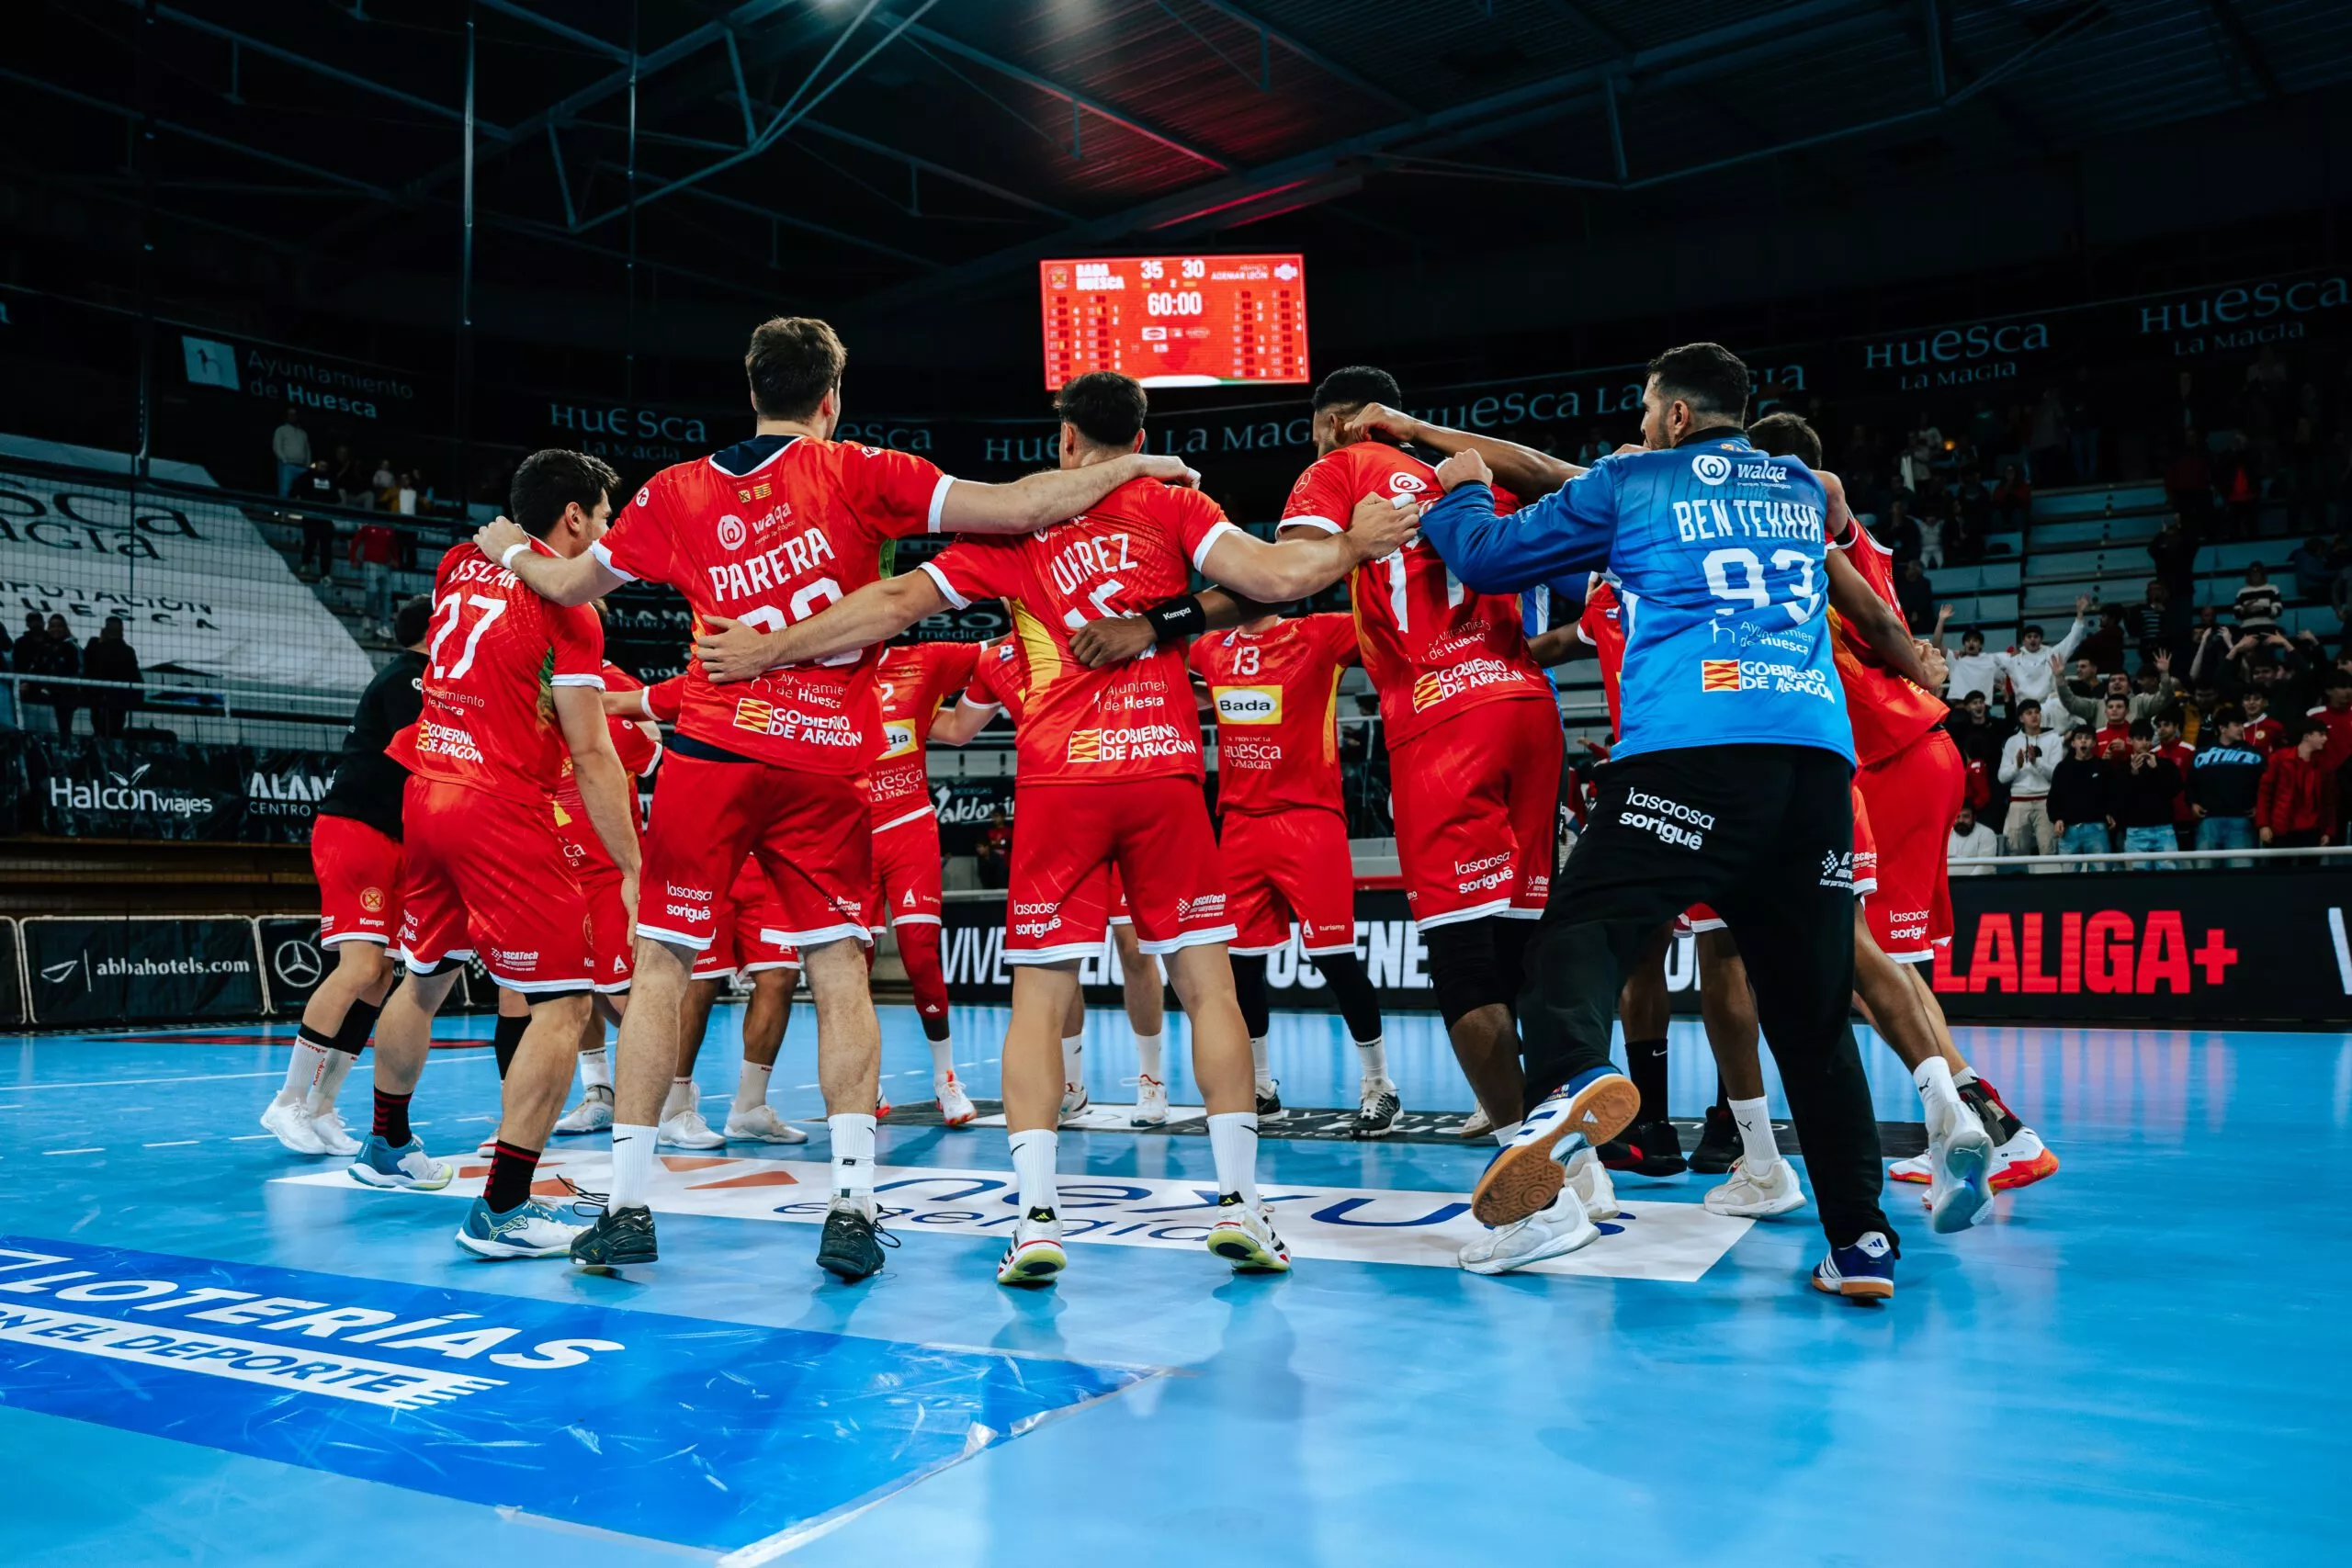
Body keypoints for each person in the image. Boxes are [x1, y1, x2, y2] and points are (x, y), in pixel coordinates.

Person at [477, 319, 1213, 1284]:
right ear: (830, 399)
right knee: (837, 970)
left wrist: (507, 551)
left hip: (711, 753)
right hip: (827, 763)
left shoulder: (673, 492)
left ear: (753, 391)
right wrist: (1137, 467)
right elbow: (1022, 504)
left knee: (661, 963)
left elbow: (568, 577)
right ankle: (855, 1207)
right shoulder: (864, 470)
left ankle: (623, 1208)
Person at [691, 367, 1408, 1287]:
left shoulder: (1018, 525)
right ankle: (1241, 1208)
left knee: (1038, 1000)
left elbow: (891, 604)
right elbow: (1275, 576)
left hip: (1060, 784)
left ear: (1067, 442)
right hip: (1161, 775)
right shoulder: (1171, 506)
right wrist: (1357, 539)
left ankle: (1034, 1220)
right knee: (1207, 987)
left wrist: (764, 648)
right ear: (1137, 433)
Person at [1414, 342, 1917, 1298]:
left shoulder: (1632, 479)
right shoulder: (1798, 489)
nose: (1642, 424)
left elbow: (1484, 560)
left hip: (1688, 754)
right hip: (1811, 763)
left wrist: (1463, 486)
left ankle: (1568, 1088)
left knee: (1580, 931)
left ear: (1676, 417)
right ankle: (1860, 1239)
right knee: (1812, 1020)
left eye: (1648, 410)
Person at [1261, 366, 1566, 1162]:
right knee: (1520, 951)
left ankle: (1527, 1164)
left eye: (1322, 424)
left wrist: (1348, 543)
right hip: (1530, 709)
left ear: (1336, 420)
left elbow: (1289, 572)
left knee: (1465, 963)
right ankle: (1575, 1151)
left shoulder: (1339, 467)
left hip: (1441, 717)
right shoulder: (1471, 468)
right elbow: (1562, 514)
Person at [354, 449, 643, 1264]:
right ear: (576, 517)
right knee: (565, 1006)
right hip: (496, 803)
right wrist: (632, 868)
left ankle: (386, 1143)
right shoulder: (575, 613)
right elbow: (591, 754)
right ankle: (504, 1207)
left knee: (425, 975)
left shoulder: (458, 560)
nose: (611, 535)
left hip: (426, 784)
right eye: (606, 518)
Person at [937, 633, 1175, 1123]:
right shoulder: (994, 657)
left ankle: (1151, 1080)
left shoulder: (1085, 626)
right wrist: (886, 708)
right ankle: (1072, 1085)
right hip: (1058, 817)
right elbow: (959, 728)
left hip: (1122, 791)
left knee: (1135, 948)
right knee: (1059, 957)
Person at [1186, 611, 1396, 1136]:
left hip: (1309, 819)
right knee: (1242, 969)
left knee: (1335, 959)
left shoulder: (1321, 632)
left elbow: (1389, 617)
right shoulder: (1208, 648)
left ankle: (1380, 1086)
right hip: (1237, 824)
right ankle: (1260, 1088)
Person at [258, 595, 431, 1156]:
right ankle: (287, 1101)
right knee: (358, 968)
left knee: (380, 976)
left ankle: (321, 1106)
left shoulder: (429, 680)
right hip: (358, 830)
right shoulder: (410, 679)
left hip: (396, 841)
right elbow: (426, 757)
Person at [863, 638, 986, 1126]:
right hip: (851, 835)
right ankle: (864, 1081)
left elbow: (998, 653)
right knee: (855, 968)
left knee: (919, 952)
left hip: (908, 825)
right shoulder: (823, 666)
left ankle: (946, 1080)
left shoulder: (923, 659)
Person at [2188, 707, 2266, 867]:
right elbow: (2190, 782)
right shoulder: (2201, 754)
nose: (2241, 728)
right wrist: (2192, 803)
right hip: (2208, 821)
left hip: (2241, 821)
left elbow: (2264, 785)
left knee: (2241, 876)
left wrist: (2260, 807)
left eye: (2242, 724)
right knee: (2204, 873)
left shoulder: (2255, 754)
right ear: (2222, 728)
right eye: (2236, 725)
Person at [1992, 600, 2089, 722]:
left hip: (2051, 709)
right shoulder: (2013, 659)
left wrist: (2080, 614)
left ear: (2041, 639)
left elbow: (2073, 638)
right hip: (2025, 710)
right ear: (2024, 641)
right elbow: (1987, 659)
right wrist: (1962, 654)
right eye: (2029, 637)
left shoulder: (2052, 654)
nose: (2033, 639)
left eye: (2036, 636)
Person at [2107, 719, 2182, 871]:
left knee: (2169, 876)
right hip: (2135, 830)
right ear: (2130, 740)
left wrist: (2156, 770)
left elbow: (2174, 790)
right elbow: (2119, 798)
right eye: (2139, 739)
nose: (2144, 743)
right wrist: (2133, 774)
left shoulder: (2165, 764)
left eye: (2147, 739)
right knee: (2138, 880)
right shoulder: (2121, 769)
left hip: (2164, 829)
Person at [1996, 699, 2064, 865]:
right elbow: (2002, 777)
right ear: (2021, 718)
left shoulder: (2053, 738)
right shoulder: (2012, 742)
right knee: (2016, 851)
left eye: (2036, 712)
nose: (2034, 716)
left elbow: (2057, 774)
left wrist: (2036, 763)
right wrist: (2017, 767)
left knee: (2049, 851)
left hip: (2045, 801)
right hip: (2019, 801)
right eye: (2029, 713)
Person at [2257, 718, 2338, 852]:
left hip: (2312, 829)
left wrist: (2328, 830)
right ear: (2307, 736)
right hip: (2281, 828)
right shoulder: (2279, 758)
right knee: (2280, 871)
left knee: (2309, 871)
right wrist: (2263, 825)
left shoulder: (2324, 764)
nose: (2325, 739)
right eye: (2321, 734)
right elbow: (2265, 793)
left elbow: (2329, 800)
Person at [2048, 728, 2110, 870]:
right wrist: (2057, 818)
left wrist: (2110, 812)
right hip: (2069, 830)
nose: (2083, 740)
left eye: (2087, 737)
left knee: (2102, 879)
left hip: (2097, 828)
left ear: (2094, 743)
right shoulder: (2062, 768)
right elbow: (2054, 797)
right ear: (2073, 743)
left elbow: (2112, 794)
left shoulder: (2103, 767)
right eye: (2079, 737)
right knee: (2068, 882)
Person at [81, 617, 140, 738]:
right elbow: (134, 675)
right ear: (122, 631)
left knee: (100, 730)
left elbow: (87, 668)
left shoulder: (96, 649)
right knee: (115, 730)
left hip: (98, 698)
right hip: (119, 700)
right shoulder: (128, 651)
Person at [351, 518, 398, 637]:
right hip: (369, 564)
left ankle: (384, 626)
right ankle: (367, 617)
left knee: (386, 595)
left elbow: (393, 546)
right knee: (372, 590)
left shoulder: (389, 529)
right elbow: (356, 542)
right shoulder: (367, 526)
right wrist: (353, 559)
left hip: (385, 566)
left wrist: (396, 559)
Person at [294, 458, 339, 581]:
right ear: (316, 465)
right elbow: (297, 491)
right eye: (320, 465)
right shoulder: (307, 477)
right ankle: (305, 564)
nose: (322, 468)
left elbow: (336, 497)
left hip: (325, 518)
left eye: (325, 466)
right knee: (310, 542)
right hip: (310, 516)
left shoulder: (331, 479)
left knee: (326, 547)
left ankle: (325, 573)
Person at [1938, 624, 1999, 706]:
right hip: (1960, 708)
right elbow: (1936, 645)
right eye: (1968, 641)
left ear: (1981, 645)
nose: (1971, 643)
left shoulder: (1990, 660)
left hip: (1982, 709)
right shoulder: (1955, 659)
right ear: (1964, 644)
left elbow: (2001, 679)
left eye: (1975, 640)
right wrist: (1941, 620)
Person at [1948, 805, 1999, 874]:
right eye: (1957, 817)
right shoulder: (1945, 833)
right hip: (1948, 882)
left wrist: (1967, 883)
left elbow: (1985, 866)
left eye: (1966, 816)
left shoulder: (1986, 833)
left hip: (1976, 882)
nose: (1961, 821)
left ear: (1974, 818)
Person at [2234, 563, 2283, 636]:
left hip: (2268, 627)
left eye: (2258, 572)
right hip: (2247, 628)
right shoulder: (2242, 592)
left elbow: (2278, 611)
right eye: (2253, 573)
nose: (2255, 575)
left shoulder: (2273, 589)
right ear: (2248, 576)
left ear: (2263, 574)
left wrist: (2262, 609)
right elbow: (2235, 614)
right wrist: (2245, 610)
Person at [273, 407, 311, 496]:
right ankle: (283, 509)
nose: (292, 417)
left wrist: (308, 465)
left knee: (303, 491)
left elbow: (307, 449)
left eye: (294, 415)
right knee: (285, 490)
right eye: (290, 414)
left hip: (302, 467)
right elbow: (277, 446)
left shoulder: (303, 433)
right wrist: (284, 460)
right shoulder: (281, 430)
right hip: (288, 466)